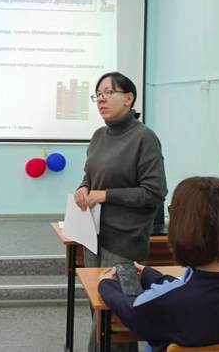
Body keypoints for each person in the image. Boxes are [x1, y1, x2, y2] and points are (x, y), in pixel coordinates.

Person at [74, 71, 168, 352]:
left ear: (129, 98)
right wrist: (83, 187)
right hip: (93, 234)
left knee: (118, 319)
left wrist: (105, 195)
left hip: (124, 241)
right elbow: (91, 175)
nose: (101, 100)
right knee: (98, 312)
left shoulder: (144, 137)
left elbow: (154, 192)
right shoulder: (98, 136)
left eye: (109, 93)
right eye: (98, 95)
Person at [97, 177, 219, 352]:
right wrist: (152, 276)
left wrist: (106, 285)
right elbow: (194, 287)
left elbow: (130, 309)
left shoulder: (164, 304)